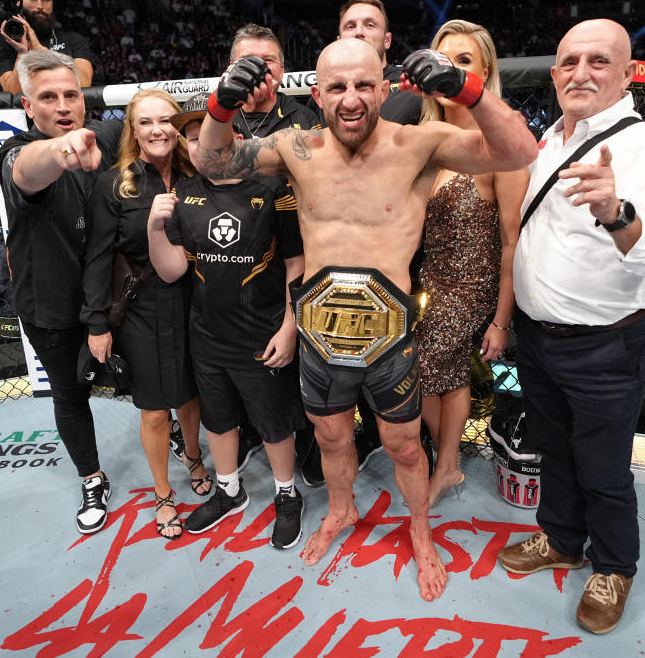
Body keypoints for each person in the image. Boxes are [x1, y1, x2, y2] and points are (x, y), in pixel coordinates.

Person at [192, 38, 537, 599]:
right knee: (330, 438)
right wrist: (220, 106)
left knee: (403, 445)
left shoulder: (420, 143)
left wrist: (466, 88)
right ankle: (343, 512)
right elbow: (213, 161)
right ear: (316, 93)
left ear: (384, 88)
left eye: (362, 86)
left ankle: (420, 531)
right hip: (319, 337)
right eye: (336, 87)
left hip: (390, 339)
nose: (350, 100)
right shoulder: (297, 148)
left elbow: (518, 149)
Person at [497, 19, 645, 634]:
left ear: (626, 72)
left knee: (605, 467)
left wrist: (620, 215)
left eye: (597, 61)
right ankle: (561, 538)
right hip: (540, 339)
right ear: (555, 72)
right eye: (568, 61)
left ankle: (615, 565)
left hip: (604, 344)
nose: (580, 72)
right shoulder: (549, 142)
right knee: (555, 450)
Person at [148, 92, 307, 550]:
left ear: (237, 138)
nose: (202, 149)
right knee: (218, 420)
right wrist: (153, 230)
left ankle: (285, 494)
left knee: (273, 421)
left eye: (211, 139)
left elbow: (297, 264)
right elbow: (172, 270)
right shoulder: (182, 197)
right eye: (194, 141)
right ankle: (230, 491)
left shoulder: (272, 189)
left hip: (264, 332)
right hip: (208, 334)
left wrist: (289, 326)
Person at [0, 49, 122, 534]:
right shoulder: (17, 153)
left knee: (150, 373)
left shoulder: (105, 138)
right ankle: (91, 476)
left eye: (71, 95)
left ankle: (173, 434)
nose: (63, 105)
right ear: (29, 107)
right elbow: (29, 168)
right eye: (48, 97)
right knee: (70, 396)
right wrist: (62, 151)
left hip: (113, 299)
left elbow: (154, 114)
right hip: (52, 306)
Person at [81, 89, 208, 541]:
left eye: (166, 121)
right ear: (133, 131)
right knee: (155, 410)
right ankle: (162, 493)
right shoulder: (117, 183)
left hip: (196, 303)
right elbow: (97, 257)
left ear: (178, 127)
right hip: (141, 311)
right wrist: (96, 323)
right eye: (146, 122)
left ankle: (193, 457)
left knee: (191, 397)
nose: (157, 130)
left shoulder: (196, 175)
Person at [414, 19, 529, 507]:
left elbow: (512, 242)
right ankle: (448, 460)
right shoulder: (421, 138)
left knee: (432, 367)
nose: (451, 72)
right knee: (430, 374)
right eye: (443, 62)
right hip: (428, 280)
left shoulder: (500, 143)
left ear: (484, 72)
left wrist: (501, 320)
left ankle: (446, 466)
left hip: (472, 285)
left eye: (463, 62)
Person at [333, 0, 426, 474]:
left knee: (401, 407)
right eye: (350, 25)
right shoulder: (332, 96)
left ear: (386, 39)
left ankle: (411, 446)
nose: (359, 32)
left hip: (400, 261)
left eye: (369, 24)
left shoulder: (412, 96)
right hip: (338, 273)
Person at [227, 23, 320, 482]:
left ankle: (308, 442)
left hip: (294, 251)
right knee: (240, 353)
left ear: (282, 72)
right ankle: (248, 431)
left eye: (269, 61)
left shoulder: (306, 118)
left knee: (301, 356)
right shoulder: (214, 117)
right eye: (248, 61)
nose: (259, 70)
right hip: (230, 256)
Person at [0, 0, 95, 94]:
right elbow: (13, 93)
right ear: (18, 2)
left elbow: (84, 83)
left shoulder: (74, 40)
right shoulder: (4, 43)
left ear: (52, 3)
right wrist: (22, 53)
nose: (40, 6)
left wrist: (39, 50)